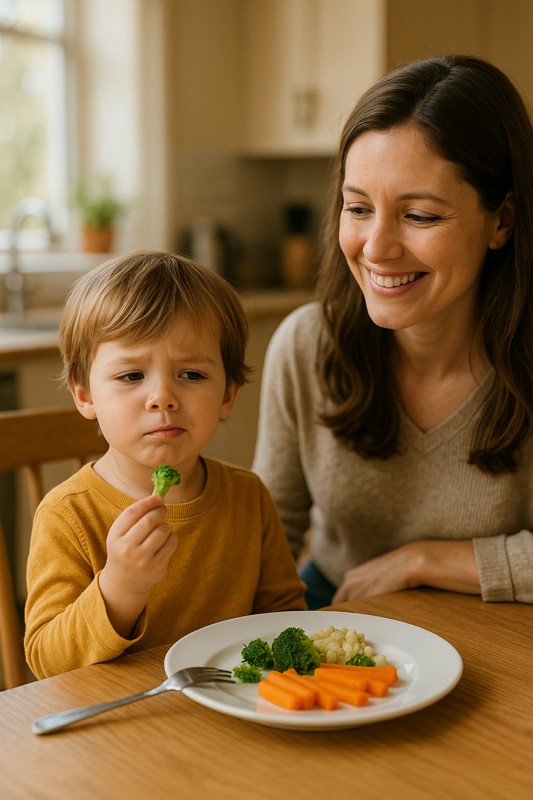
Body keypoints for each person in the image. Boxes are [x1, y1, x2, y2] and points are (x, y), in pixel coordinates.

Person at [252, 54, 533, 609]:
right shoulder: (306, 345)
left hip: (500, 626)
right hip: (339, 609)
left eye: (420, 216)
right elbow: (267, 543)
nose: (376, 249)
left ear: (501, 220)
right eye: (358, 208)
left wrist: (423, 560)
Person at [25, 251, 306, 678]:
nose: (163, 397)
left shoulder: (248, 496)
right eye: (131, 376)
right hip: (119, 725)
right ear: (85, 395)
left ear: (228, 395)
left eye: (191, 375)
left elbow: (285, 615)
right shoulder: (68, 515)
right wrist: (121, 585)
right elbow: (47, 662)